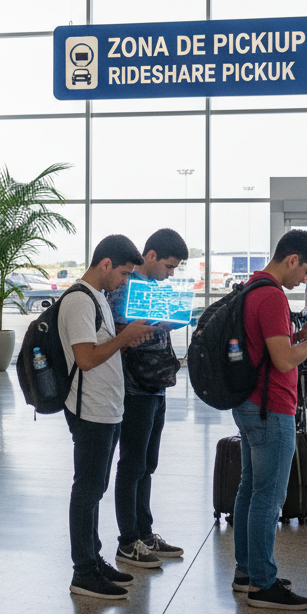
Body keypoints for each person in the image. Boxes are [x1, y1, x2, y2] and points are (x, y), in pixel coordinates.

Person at [231, 229, 307, 610]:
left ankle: (246, 571)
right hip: (270, 406)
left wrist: (299, 333)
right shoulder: (272, 296)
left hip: (248, 403)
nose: (305, 280)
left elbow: (269, 345)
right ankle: (263, 583)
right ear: (292, 260)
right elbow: (283, 360)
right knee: (269, 497)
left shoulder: (251, 288)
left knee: (250, 488)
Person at [58, 234, 155, 601]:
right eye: (124, 274)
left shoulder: (96, 296)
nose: (125, 282)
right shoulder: (79, 300)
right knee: (87, 489)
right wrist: (122, 336)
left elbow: (100, 349)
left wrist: (126, 338)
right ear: (105, 265)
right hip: (90, 410)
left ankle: (93, 560)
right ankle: (83, 571)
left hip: (107, 407)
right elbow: (85, 358)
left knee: (95, 488)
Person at [107, 228, 189, 570]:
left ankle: (145, 530)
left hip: (157, 385)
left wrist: (169, 322)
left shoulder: (156, 289)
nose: (170, 274)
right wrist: (160, 324)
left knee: (148, 464)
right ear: (151, 255)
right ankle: (128, 541)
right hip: (133, 388)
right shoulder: (124, 289)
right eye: (168, 266)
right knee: (132, 464)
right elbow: (121, 333)